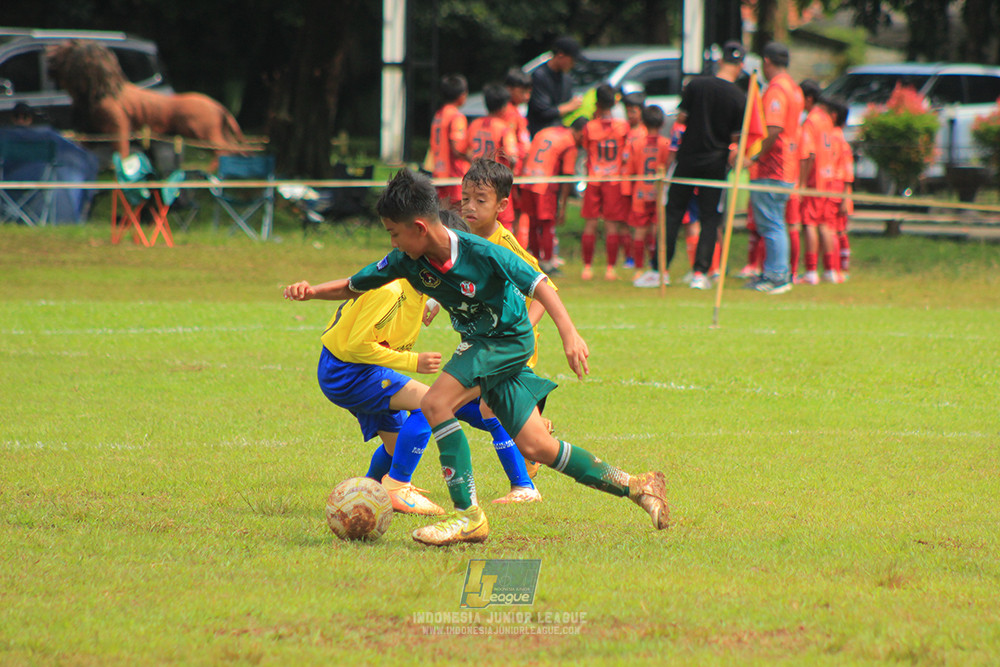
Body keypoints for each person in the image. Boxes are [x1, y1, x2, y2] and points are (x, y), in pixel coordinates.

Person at [284, 168, 669, 546]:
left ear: (419, 227)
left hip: (506, 340)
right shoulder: (405, 261)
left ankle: (467, 516)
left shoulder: (481, 252)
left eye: (394, 233)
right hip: (485, 345)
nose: (393, 242)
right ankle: (637, 485)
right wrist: (311, 291)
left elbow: (540, 284)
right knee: (537, 446)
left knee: (435, 402)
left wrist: (570, 334)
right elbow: (354, 284)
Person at [662, 40, 746, 291]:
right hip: (716, 163)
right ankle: (700, 272)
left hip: (687, 158)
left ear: (720, 61)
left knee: (673, 212)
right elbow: (735, 140)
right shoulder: (739, 97)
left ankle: (660, 270)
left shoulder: (695, 85)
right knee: (710, 218)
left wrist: (672, 155)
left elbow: (681, 121)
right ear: (740, 66)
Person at [744, 41, 803, 294]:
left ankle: (778, 276)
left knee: (771, 223)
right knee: (774, 222)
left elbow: (774, 128)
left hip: (773, 167)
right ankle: (773, 272)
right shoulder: (793, 87)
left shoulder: (777, 90)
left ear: (767, 62)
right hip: (786, 165)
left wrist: (754, 157)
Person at [519, 116, 587, 273]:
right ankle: (548, 262)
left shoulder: (546, 131)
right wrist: (562, 206)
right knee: (547, 224)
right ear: (578, 133)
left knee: (533, 223)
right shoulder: (570, 144)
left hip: (527, 179)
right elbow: (567, 177)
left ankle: (535, 260)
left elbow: (529, 155)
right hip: (545, 184)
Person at [580, 84, 631, 281]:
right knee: (612, 225)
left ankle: (587, 267)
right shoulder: (622, 127)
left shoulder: (589, 127)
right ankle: (610, 268)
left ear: (597, 103)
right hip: (613, 179)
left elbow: (586, 150)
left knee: (590, 223)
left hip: (594, 178)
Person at [621, 104, 670, 282]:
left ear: (643, 121)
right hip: (658, 194)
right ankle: (656, 266)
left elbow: (630, 170)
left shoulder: (636, 144)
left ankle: (639, 269)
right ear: (662, 122)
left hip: (640, 193)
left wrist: (626, 192)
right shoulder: (666, 144)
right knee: (656, 233)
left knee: (640, 233)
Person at [797, 83, 839, 285]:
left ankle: (811, 271)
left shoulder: (811, 121)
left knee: (810, 224)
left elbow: (809, 153)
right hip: (829, 178)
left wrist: (802, 183)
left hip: (815, 181)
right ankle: (831, 270)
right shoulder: (826, 119)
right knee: (825, 225)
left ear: (809, 98)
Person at [466, 83, 519, 231]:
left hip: (476, 177)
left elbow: (466, 151)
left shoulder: (474, 124)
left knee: (477, 221)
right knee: (505, 221)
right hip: (496, 180)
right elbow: (512, 157)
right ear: (503, 107)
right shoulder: (503, 128)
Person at [500, 68, 534, 247]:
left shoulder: (512, 112)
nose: (527, 96)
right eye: (523, 91)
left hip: (511, 170)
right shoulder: (510, 114)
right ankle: (517, 251)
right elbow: (518, 146)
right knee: (513, 214)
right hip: (513, 170)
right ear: (509, 89)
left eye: (529, 91)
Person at [527, 35, 584, 137]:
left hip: (559, 134)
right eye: (572, 60)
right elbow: (542, 112)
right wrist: (569, 107)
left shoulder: (566, 79)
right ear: (560, 55)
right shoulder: (540, 76)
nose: (573, 64)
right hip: (540, 135)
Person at [430, 74, 471, 211]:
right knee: (456, 219)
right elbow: (457, 148)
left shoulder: (438, 115)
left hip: (439, 172)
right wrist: (473, 159)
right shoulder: (456, 116)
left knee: (443, 216)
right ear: (461, 95)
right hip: (454, 174)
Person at [831, 99, 854, 280]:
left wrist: (845, 197)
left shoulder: (839, 141)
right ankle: (836, 268)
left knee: (838, 231)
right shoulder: (835, 137)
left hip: (838, 190)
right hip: (833, 188)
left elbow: (847, 172)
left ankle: (841, 269)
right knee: (836, 231)